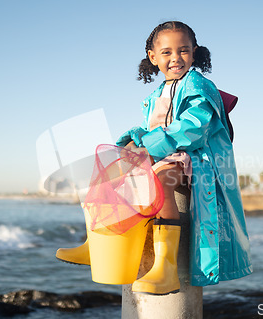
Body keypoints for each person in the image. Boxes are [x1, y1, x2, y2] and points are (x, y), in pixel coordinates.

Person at [57, 21, 252, 295]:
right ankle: (95, 244)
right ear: (153, 57)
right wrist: (133, 142)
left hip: (195, 160)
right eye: (167, 52)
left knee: (160, 180)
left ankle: (166, 268)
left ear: (194, 53)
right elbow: (154, 128)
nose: (175, 58)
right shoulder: (157, 94)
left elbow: (193, 128)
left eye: (183, 50)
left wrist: (149, 147)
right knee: (110, 168)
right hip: (165, 153)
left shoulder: (198, 86)